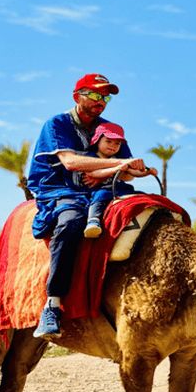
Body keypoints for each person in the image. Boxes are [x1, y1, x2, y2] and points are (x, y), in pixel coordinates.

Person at [27, 73, 149, 338]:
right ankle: (53, 304)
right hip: (59, 188)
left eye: (105, 97)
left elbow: (126, 173)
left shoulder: (110, 129)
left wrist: (138, 168)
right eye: (94, 95)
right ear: (77, 96)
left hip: (102, 188)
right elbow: (70, 162)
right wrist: (117, 165)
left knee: (146, 212)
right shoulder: (57, 124)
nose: (100, 101)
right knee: (71, 223)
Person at [79, 122, 156, 238]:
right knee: (100, 196)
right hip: (101, 189)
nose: (113, 145)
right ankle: (93, 220)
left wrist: (147, 172)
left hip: (120, 189)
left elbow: (132, 172)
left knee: (140, 196)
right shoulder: (91, 157)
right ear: (97, 140)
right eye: (108, 141)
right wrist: (116, 168)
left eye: (117, 143)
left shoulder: (118, 159)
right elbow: (93, 173)